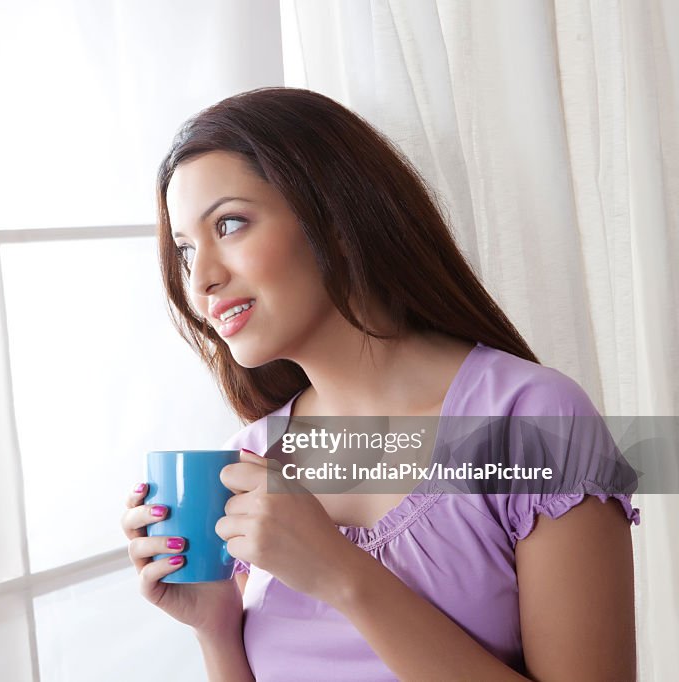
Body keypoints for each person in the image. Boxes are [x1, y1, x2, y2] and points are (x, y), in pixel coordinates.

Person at [119, 87, 640, 681]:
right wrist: (217, 630)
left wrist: (340, 574)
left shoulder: (532, 421)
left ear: (337, 218)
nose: (202, 279)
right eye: (186, 251)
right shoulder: (254, 458)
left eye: (230, 224)